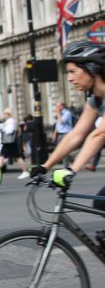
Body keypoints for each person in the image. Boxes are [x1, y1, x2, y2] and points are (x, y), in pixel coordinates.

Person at [31, 40, 105, 185]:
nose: (70, 79)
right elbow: (76, 134)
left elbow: (100, 135)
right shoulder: (96, 100)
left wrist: (71, 170)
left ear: (92, 68)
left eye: (72, 71)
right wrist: (45, 166)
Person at [0, 108, 30, 179]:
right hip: (8, 142)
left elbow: (9, 131)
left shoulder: (11, 121)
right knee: (2, 156)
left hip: (10, 142)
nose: (4, 115)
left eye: (4, 114)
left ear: (8, 114)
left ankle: (25, 172)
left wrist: (3, 128)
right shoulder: (9, 121)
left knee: (17, 157)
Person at [53, 102, 75, 167]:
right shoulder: (60, 114)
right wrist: (55, 133)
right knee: (59, 151)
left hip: (66, 134)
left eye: (57, 106)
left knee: (64, 150)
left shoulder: (67, 113)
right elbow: (58, 124)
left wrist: (58, 113)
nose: (56, 108)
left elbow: (62, 121)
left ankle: (65, 166)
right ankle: (72, 159)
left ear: (62, 106)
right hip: (60, 134)